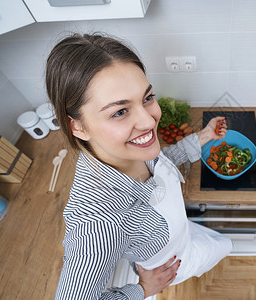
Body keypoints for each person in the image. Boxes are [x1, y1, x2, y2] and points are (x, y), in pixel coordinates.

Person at [46, 33, 232, 300]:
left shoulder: (124, 148)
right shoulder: (98, 223)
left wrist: (203, 136)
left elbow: (160, 161)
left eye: (147, 97)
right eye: (119, 112)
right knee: (225, 246)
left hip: (185, 235)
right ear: (78, 126)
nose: (149, 121)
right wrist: (142, 289)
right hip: (171, 263)